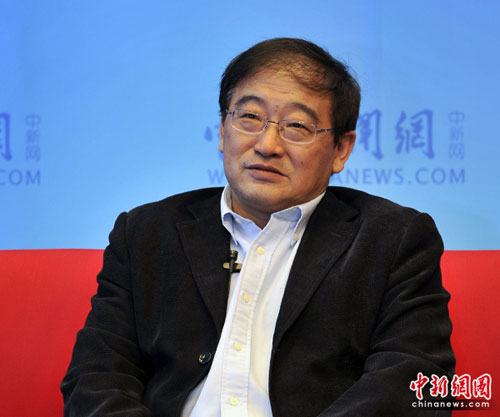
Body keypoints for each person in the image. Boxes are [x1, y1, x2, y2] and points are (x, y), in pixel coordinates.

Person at [61, 38, 455, 416]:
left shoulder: (392, 239)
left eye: (297, 126)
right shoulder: (146, 233)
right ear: (222, 129)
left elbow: (413, 379)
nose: (267, 144)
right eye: (249, 117)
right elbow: (96, 379)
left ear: (341, 149)